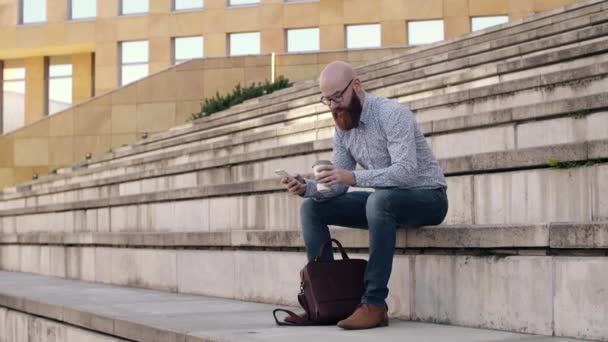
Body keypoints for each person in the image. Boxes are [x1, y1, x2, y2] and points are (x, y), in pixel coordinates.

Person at [280, 61, 448, 330]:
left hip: (428, 198)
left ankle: (374, 303)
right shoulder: (342, 129)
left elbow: (405, 173)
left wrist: (354, 177)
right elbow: (338, 185)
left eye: (338, 96)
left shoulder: (392, 114)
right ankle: (326, 300)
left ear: (356, 86)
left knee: (378, 200)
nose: (334, 106)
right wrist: (307, 187)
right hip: (385, 203)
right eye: (327, 100)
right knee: (312, 208)